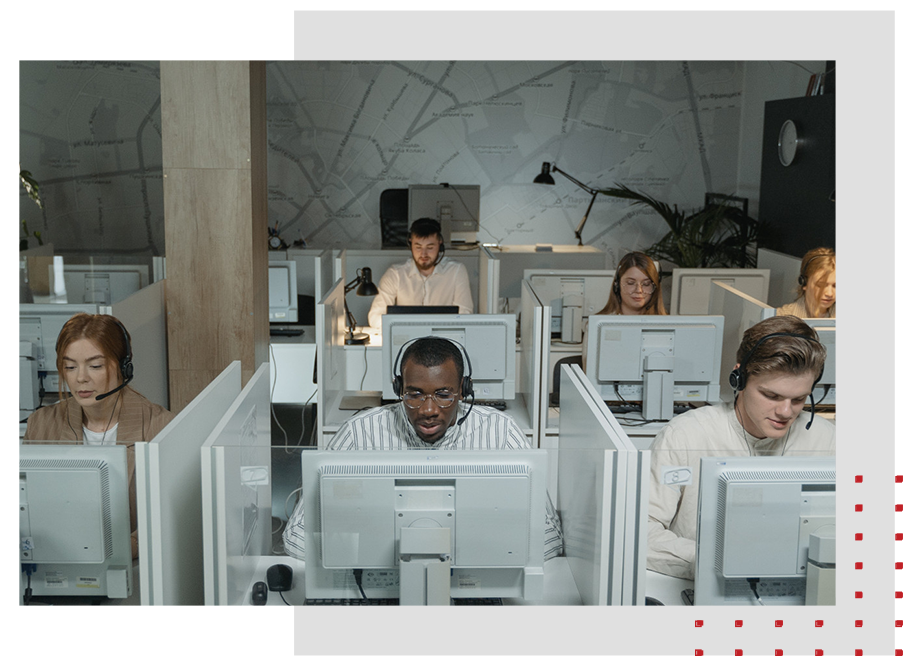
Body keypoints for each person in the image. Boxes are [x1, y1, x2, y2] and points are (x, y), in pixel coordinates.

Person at [283, 336, 563, 561]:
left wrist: (473, 557)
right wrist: (380, 559)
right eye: (414, 394)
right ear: (398, 388)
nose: (428, 409)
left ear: (463, 390)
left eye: (443, 395)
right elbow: (296, 533)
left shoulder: (501, 433)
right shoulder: (359, 434)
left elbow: (549, 535)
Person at [646, 315, 835, 580]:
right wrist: (715, 561)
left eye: (799, 399)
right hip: (700, 585)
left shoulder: (826, 440)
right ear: (739, 378)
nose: (784, 411)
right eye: (771, 396)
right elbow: (643, 530)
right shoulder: (686, 436)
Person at [24, 313, 174, 557]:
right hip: (56, 564)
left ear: (124, 367)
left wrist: (124, 548)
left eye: (95, 366)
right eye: (70, 367)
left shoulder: (160, 427)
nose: (81, 377)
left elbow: (170, 516)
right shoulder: (41, 425)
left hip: (132, 567)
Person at [367, 218, 474, 329]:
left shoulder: (456, 271)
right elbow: (375, 317)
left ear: (440, 244)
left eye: (430, 247)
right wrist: (404, 327)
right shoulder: (396, 274)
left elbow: (465, 315)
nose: (423, 254)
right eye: (418, 247)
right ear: (410, 245)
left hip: (443, 339)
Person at [598, 251, 667, 316]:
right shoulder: (598, 324)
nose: (639, 290)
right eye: (630, 283)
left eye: (646, 284)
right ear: (617, 285)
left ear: (655, 288)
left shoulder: (666, 325)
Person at [777, 247, 836, 318]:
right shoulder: (782, 317)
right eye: (821, 285)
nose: (830, 294)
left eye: (835, 286)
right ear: (804, 283)